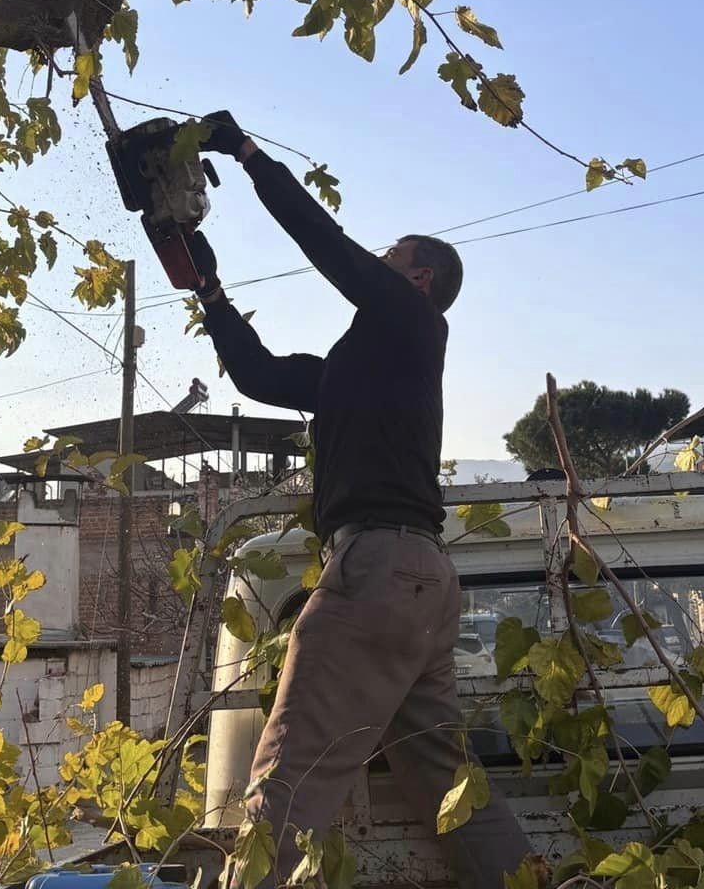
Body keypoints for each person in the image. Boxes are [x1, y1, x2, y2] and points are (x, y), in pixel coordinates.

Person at [186, 111, 533, 889]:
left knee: (287, 779)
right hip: (418, 583)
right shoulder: (357, 366)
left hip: (376, 569)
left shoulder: (414, 322)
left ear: (419, 279)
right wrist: (209, 290)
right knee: (448, 788)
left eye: (390, 257)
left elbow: (327, 247)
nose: (375, 261)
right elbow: (262, 376)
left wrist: (247, 154)